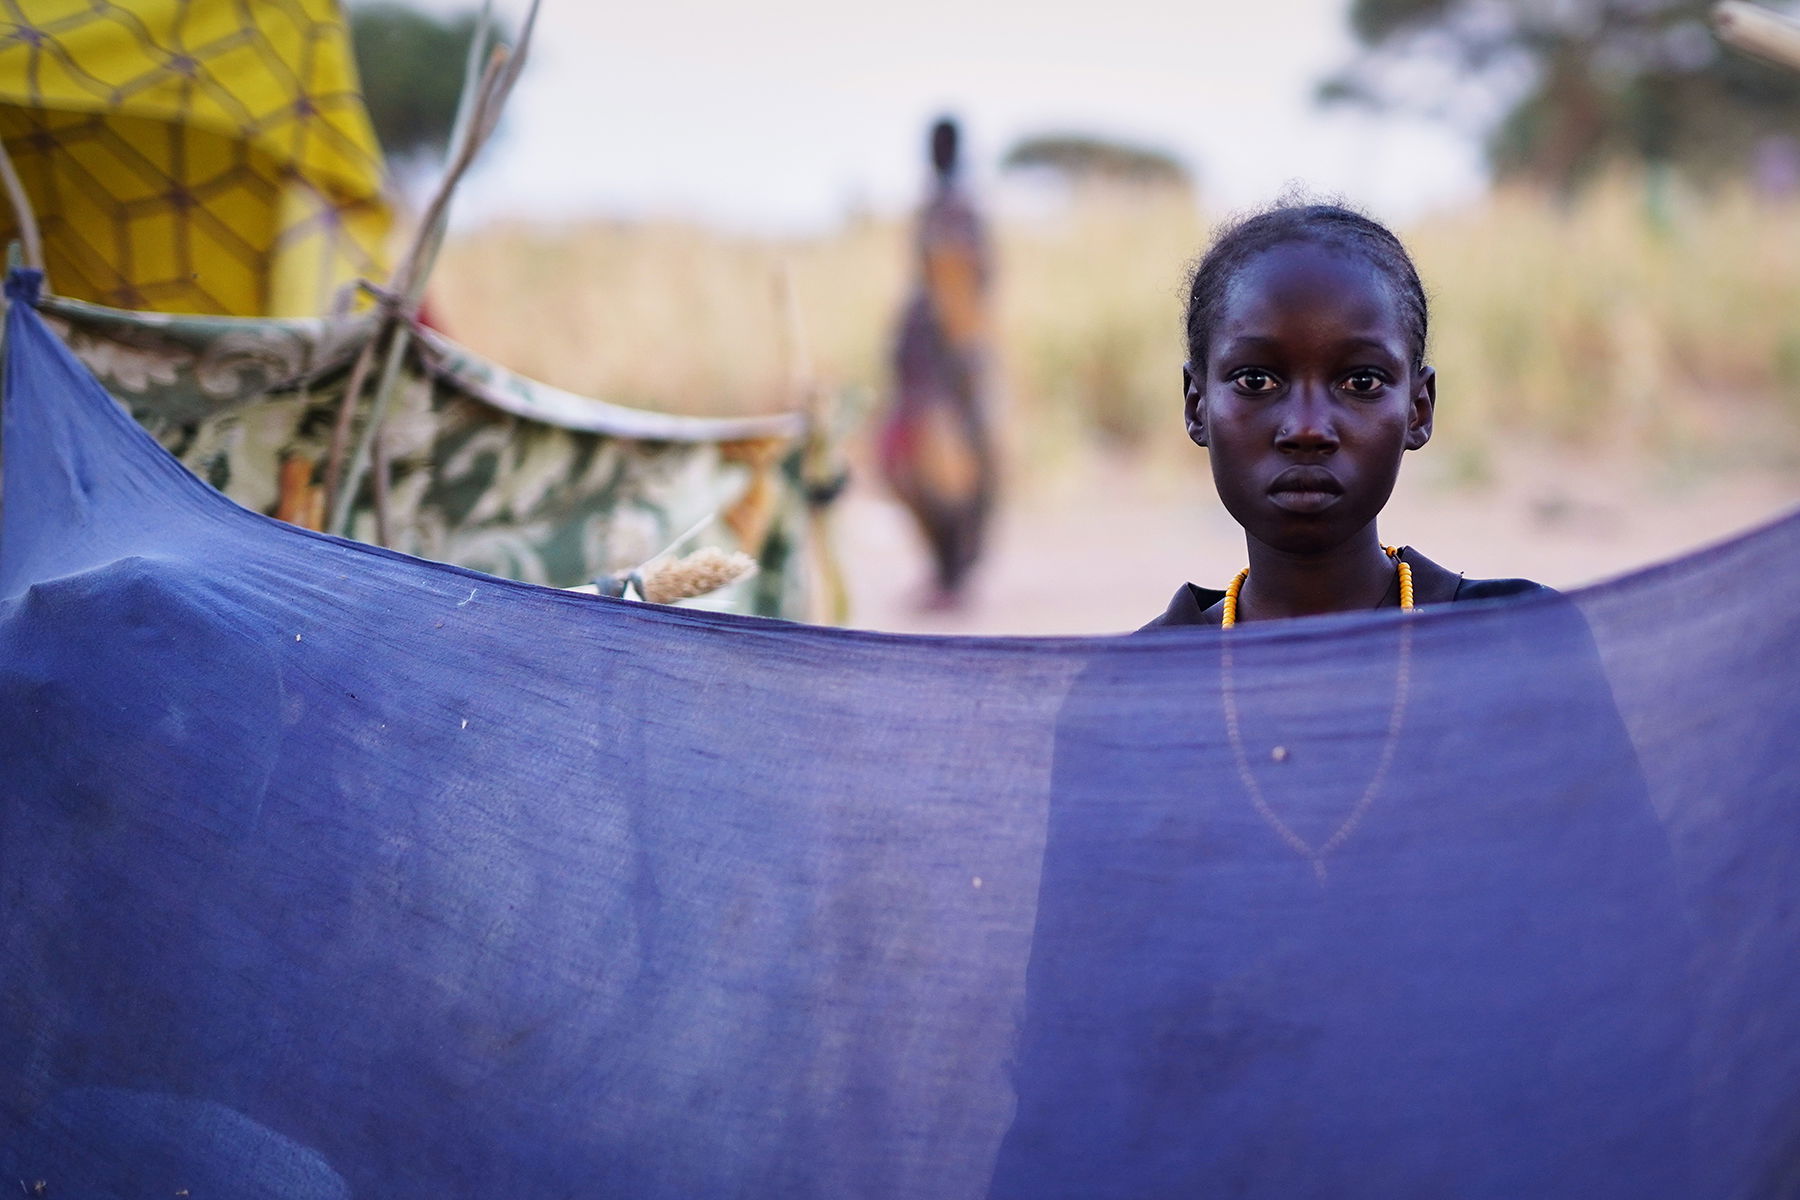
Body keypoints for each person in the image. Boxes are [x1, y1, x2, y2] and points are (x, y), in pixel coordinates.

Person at [988, 202, 1693, 1198]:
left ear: (1421, 408)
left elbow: (1641, 970)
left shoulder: (1513, 653)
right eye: (1256, 380)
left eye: (1360, 381)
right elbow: (1072, 1056)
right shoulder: (1129, 705)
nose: (1308, 425)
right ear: (1195, 404)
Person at [878, 116, 995, 609]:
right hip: (928, 367)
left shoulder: (955, 211)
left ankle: (953, 577)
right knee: (910, 467)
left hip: (947, 369)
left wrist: (958, 365)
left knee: (947, 475)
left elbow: (961, 293)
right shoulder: (938, 207)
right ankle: (945, 573)